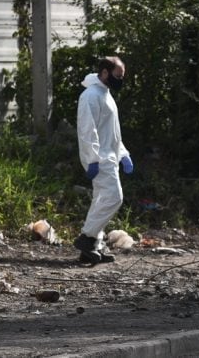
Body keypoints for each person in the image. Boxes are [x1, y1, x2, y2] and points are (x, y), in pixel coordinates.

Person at [74, 56, 134, 265]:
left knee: (101, 200)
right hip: (99, 158)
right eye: (118, 75)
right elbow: (87, 130)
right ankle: (86, 238)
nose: (120, 80)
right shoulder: (91, 96)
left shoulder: (105, 94)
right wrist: (92, 158)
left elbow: (112, 132)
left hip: (109, 156)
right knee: (114, 198)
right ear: (105, 72)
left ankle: (92, 248)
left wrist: (123, 154)